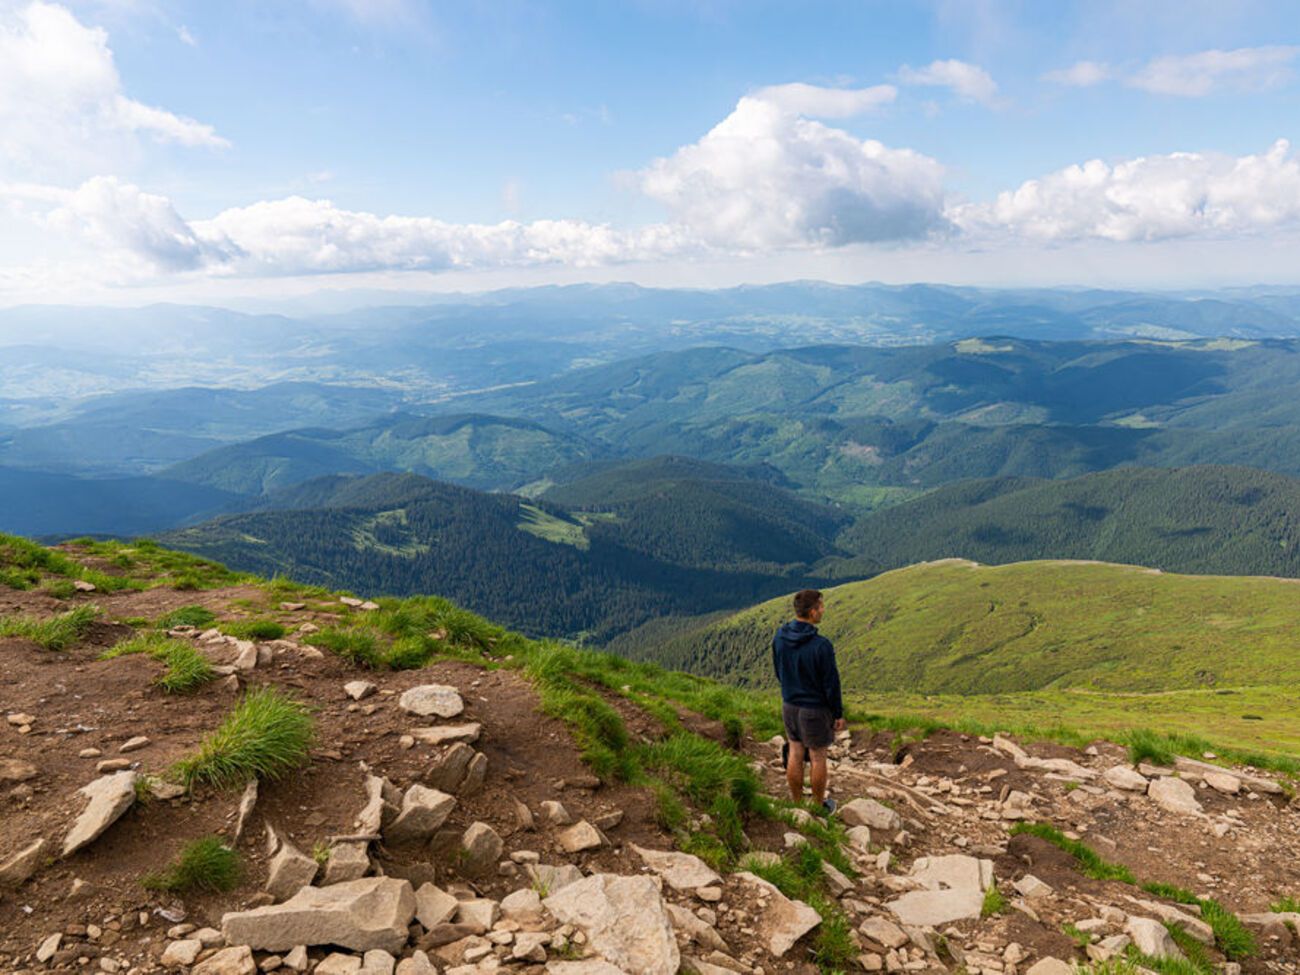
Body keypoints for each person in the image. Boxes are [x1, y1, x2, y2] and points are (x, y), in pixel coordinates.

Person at [773, 589, 845, 813]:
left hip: (789, 704)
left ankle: (796, 804)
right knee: (817, 757)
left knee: (795, 751)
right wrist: (837, 712)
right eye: (821, 607)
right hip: (814, 708)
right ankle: (816, 807)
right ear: (813, 612)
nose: (823, 610)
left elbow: (778, 670)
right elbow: (831, 683)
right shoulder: (821, 645)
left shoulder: (780, 636)